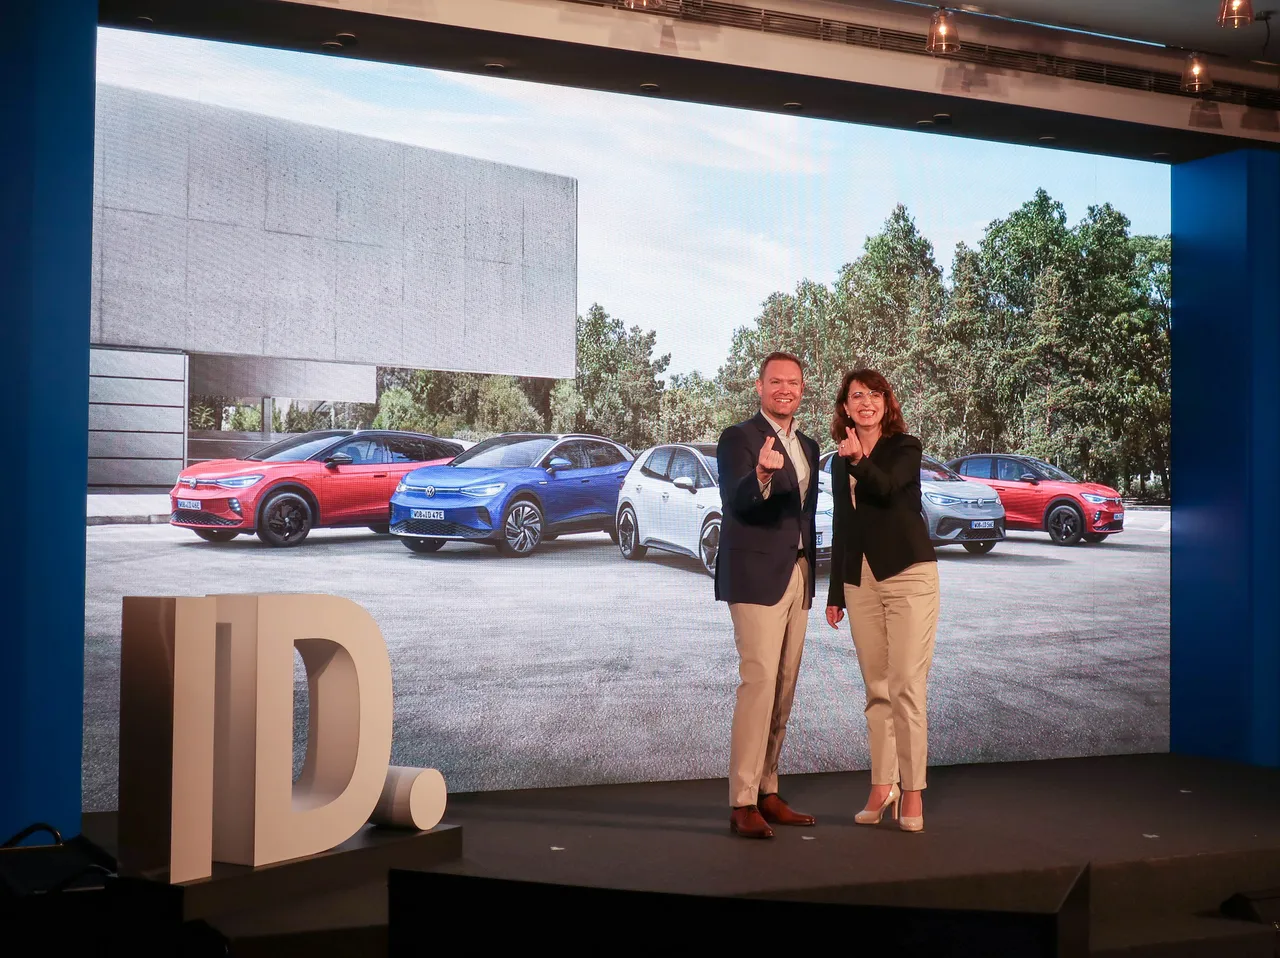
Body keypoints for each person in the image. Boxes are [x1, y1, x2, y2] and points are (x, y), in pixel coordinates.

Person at [824, 368, 939, 833]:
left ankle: (912, 791)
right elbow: (843, 524)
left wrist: (857, 460)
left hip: (909, 574)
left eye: (874, 394)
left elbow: (887, 489)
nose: (866, 402)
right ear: (845, 408)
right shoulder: (838, 461)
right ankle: (881, 785)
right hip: (861, 581)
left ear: (887, 403)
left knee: (905, 686)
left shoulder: (905, 447)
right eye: (857, 396)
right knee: (877, 688)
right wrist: (836, 591)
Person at [716, 351, 821, 839]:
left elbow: (805, 515)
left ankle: (767, 789)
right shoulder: (738, 438)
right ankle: (742, 801)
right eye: (775, 381)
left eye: (793, 382)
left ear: (802, 389)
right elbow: (736, 501)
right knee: (758, 685)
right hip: (755, 576)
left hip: (797, 573)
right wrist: (760, 476)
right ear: (759, 387)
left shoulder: (810, 446)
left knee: (783, 688)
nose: (785, 389)